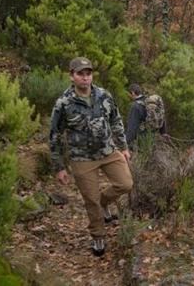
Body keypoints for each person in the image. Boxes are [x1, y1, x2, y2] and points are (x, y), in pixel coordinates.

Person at [49, 57, 133, 257]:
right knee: (91, 200)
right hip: (82, 158)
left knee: (125, 184)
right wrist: (59, 166)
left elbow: (115, 120)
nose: (85, 78)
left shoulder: (103, 95)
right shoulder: (64, 103)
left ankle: (105, 201)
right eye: (80, 74)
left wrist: (123, 146)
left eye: (88, 73)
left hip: (108, 151)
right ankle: (98, 236)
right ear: (72, 76)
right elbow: (55, 135)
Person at [126, 83, 168, 150]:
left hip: (141, 141)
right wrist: (163, 132)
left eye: (129, 94)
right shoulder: (149, 102)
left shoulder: (135, 106)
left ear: (133, 93)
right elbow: (161, 116)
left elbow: (132, 128)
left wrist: (125, 143)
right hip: (153, 139)